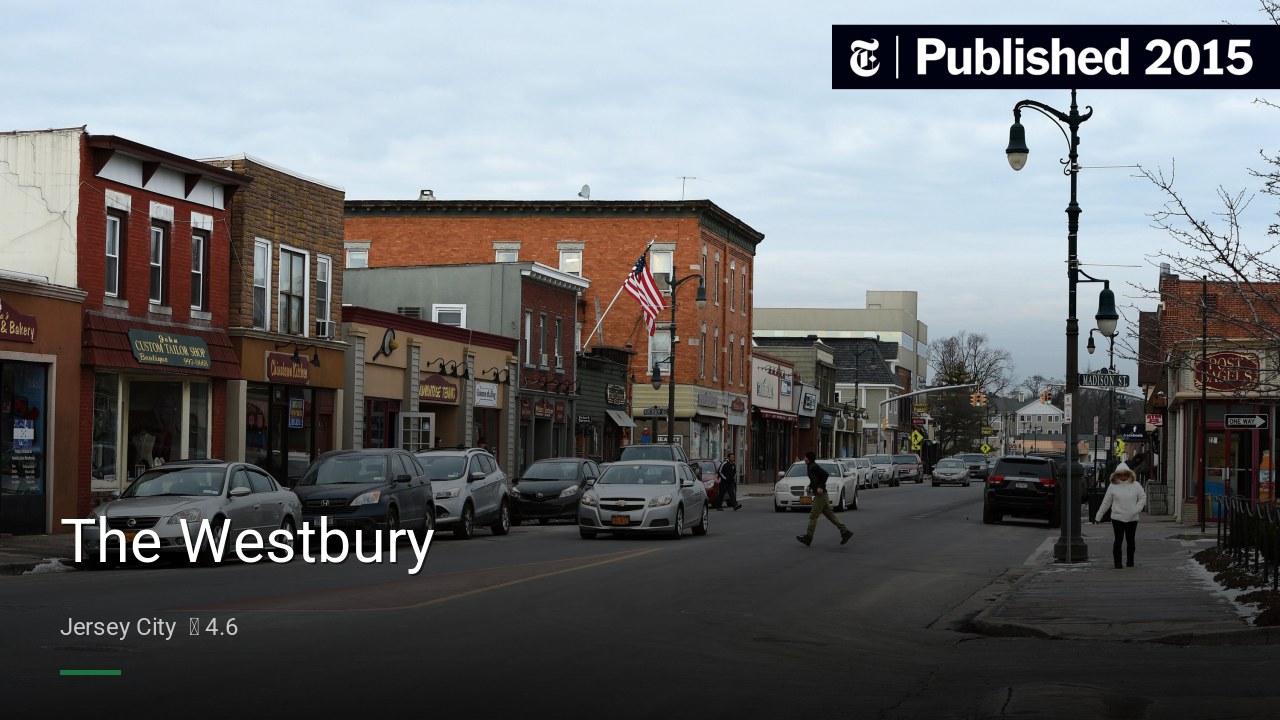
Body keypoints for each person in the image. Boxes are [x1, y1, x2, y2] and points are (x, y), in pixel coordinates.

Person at [1094, 461, 1147, 568]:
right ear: (1116, 475)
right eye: (1120, 475)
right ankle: (1117, 563)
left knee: (1131, 541)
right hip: (1117, 518)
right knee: (1118, 540)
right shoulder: (1113, 486)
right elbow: (1106, 502)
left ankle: (1130, 561)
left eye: (1125, 474)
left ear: (1129, 474)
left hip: (1132, 518)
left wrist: (1137, 508)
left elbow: (1143, 497)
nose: (1123, 477)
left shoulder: (1136, 485)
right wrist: (1098, 516)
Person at [796, 451, 853, 547]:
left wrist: (821, 487)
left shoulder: (813, 466)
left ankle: (808, 537)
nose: (804, 459)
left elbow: (825, 474)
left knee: (813, 516)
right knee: (830, 516)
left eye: (805, 457)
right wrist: (810, 486)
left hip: (821, 496)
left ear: (808, 459)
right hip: (822, 496)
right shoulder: (811, 466)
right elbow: (815, 478)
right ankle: (845, 531)